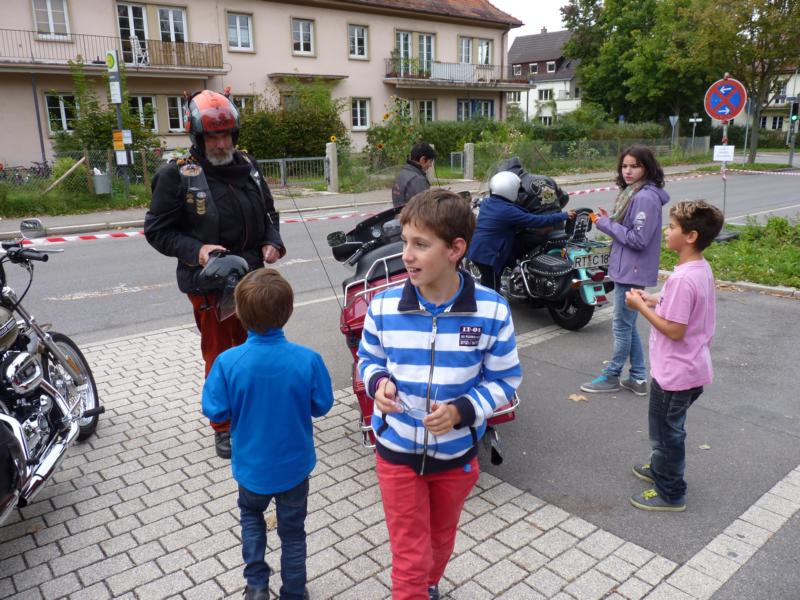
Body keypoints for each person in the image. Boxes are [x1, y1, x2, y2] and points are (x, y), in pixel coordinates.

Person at [358, 189, 522, 600]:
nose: (406, 255)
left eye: (420, 244)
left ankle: (429, 583)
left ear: (455, 249)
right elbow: (368, 360)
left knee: (441, 538)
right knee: (409, 552)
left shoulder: (492, 310)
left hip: (456, 456)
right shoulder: (383, 306)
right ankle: (415, 588)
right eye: (405, 242)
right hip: (396, 451)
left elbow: (505, 381)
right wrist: (379, 385)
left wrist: (461, 411)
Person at [144, 90, 285, 458]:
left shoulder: (248, 165)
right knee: (222, 356)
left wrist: (273, 241)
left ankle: (258, 413)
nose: (222, 144)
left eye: (227, 136)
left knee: (261, 350)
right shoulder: (177, 175)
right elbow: (157, 231)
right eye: (213, 137)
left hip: (253, 279)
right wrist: (198, 251)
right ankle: (223, 426)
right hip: (211, 284)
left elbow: (269, 213)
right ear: (197, 137)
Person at [202, 268, 334, 599]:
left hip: (251, 468)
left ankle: (257, 586)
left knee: (251, 518)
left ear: (239, 313)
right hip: (294, 468)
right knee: (293, 533)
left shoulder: (227, 362)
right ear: (288, 311)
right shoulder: (308, 359)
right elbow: (321, 405)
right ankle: (294, 591)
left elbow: (215, 410)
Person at [624, 200, 723, 511]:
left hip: (676, 375)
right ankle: (660, 467)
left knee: (667, 434)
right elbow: (680, 306)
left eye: (672, 227)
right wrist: (652, 299)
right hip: (685, 370)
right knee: (663, 429)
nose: (666, 232)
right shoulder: (698, 268)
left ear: (690, 236)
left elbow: (675, 330)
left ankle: (671, 491)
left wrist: (640, 308)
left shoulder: (682, 278)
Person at [580, 145, 669, 396]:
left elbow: (638, 239)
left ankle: (612, 375)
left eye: (635, 166)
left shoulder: (644, 197)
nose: (628, 171)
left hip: (632, 270)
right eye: (625, 166)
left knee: (621, 326)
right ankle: (638, 377)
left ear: (647, 168)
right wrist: (612, 221)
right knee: (627, 326)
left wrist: (605, 224)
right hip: (628, 268)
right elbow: (630, 229)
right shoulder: (635, 192)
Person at [467, 170, 575, 291]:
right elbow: (536, 221)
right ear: (509, 190)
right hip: (488, 256)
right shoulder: (508, 211)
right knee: (492, 288)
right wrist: (563, 215)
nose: (519, 193)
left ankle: (516, 273)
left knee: (509, 259)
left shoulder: (488, 203)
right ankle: (493, 301)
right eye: (518, 190)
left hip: (479, 249)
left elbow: (516, 212)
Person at [391, 142, 437, 208]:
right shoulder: (419, 180)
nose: (430, 165)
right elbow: (425, 209)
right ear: (422, 159)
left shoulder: (402, 173)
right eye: (430, 162)